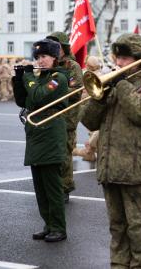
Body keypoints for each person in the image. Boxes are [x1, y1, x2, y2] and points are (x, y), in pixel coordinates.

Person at [80, 33, 141, 269]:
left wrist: (122, 84)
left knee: (137, 227)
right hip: (110, 167)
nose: (120, 63)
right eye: (119, 58)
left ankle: (140, 266)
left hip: (135, 167)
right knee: (116, 225)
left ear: (138, 59)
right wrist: (99, 97)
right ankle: (118, 265)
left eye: (125, 59)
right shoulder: (113, 86)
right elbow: (89, 121)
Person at [12, 39, 69, 242]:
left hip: (51, 134)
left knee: (52, 187)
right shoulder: (41, 78)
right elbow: (24, 100)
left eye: (44, 56)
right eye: (37, 57)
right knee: (40, 186)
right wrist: (18, 79)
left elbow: (37, 96)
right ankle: (48, 223)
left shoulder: (58, 78)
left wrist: (28, 77)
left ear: (54, 58)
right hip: (36, 133)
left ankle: (59, 227)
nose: (40, 60)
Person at [46, 32, 83, 203]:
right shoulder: (47, 64)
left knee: (65, 155)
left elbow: (76, 92)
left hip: (66, 118)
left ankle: (65, 188)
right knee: (51, 154)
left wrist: (54, 89)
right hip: (50, 116)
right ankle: (53, 187)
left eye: (56, 46)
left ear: (63, 47)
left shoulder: (72, 66)